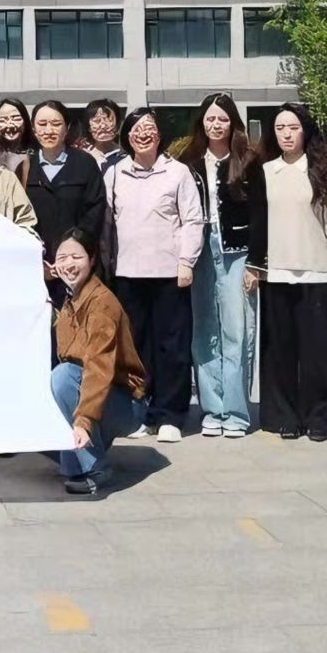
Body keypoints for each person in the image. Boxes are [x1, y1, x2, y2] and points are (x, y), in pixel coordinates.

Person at [102, 109, 205, 444]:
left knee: (172, 346)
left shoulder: (178, 172)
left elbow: (193, 220)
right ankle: (142, 413)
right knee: (136, 347)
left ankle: (171, 414)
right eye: (136, 129)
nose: (142, 134)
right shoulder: (115, 173)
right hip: (127, 274)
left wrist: (187, 261)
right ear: (127, 137)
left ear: (159, 136)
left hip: (169, 273)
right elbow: (106, 222)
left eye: (149, 128)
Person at [252, 102, 327, 442]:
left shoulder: (323, 171)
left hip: (315, 272)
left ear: (305, 131)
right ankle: (284, 417)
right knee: (280, 351)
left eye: (293, 127)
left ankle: (322, 418)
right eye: (280, 128)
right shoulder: (266, 172)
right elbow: (258, 223)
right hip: (276, 274)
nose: (286, 134)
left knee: (318, 353)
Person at [177, 93, 267, 439]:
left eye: (223, 119)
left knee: (237, 331)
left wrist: (255, 264)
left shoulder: (248, 160)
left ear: (233, 123)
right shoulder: (187, 161)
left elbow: (260, 213)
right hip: (200, 250)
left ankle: (237, 411)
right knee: (203, 332)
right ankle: (212, 408)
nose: (216, 125)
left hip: (237, 252)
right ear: (201, 122)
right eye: (210, 119)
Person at [49, 229, 148, 498]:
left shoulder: (102, 304)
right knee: (59, 377)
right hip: (99, 393)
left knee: (62, 377)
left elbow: (98, 367)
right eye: (62, 258)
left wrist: (84, 420)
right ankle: (81, 457)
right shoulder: (71, 299)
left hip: (126, 403)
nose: (69, 264)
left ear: (92, 259)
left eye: (76, 257)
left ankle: (96, 468)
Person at [22, 100, 109, 292]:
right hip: (39, 268)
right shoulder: (26, 168)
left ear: (67, 128)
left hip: (78, 266)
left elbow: (94, 211)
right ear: (34, 130)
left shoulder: (85, 164)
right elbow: (20, 219)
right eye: (42, 124)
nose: (49, 130)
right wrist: (38, 259)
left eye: (56, 124)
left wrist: (71, 254)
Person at [0, 98, 34, 178]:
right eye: (2, 120)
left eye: (16, 119)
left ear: (25, 120)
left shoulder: (35, 151)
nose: (10, 125)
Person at [83, 98, 126, 170]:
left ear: (118, 125)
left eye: (109, 120)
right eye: (97, 121)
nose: (103, 126)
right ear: (88, 127)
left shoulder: (126, 155)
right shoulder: (82, 157)